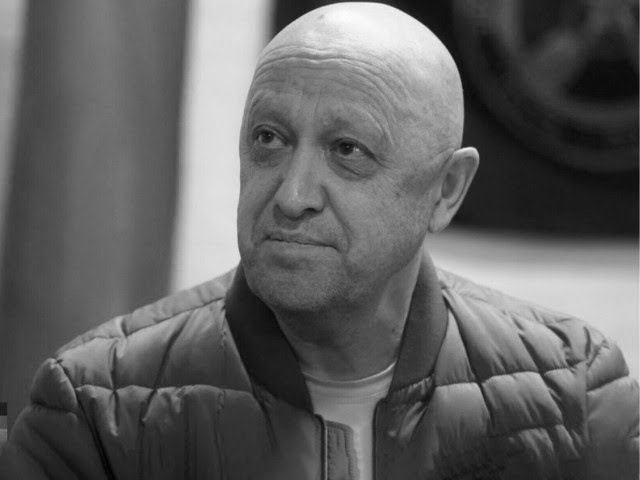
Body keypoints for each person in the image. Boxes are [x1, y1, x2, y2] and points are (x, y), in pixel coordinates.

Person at [0, 3, 637, 479]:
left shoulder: (573, 394)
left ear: (446, 190)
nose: (292, 193)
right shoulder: (97, 405)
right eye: (269, 140)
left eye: (347, 150)